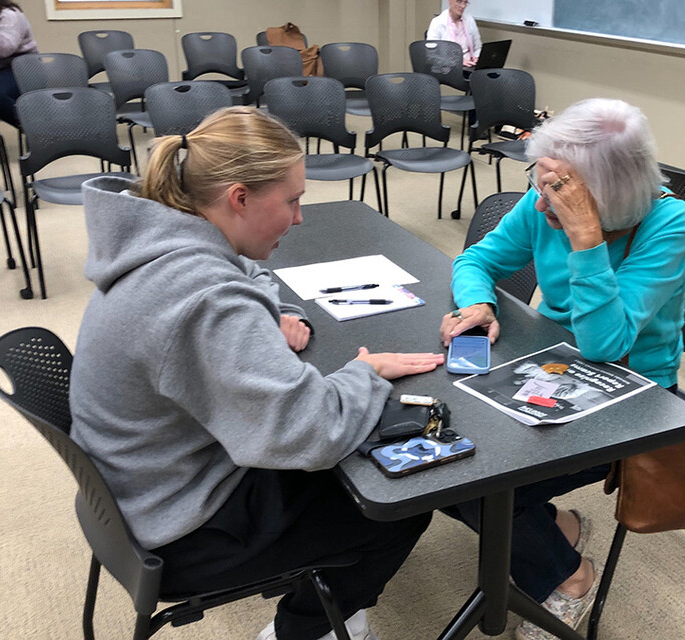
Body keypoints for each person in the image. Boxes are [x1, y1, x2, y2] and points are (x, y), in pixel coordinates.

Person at [70, 106, 445, 640]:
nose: (298, 218)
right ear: (239, 198)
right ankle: (303, 629)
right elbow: (310, 432)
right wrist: (364, 372)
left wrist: (272, 313)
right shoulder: (206, 298)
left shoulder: (164, 240)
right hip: (178, 529)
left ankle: (322, 601)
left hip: (136, 488)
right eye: (291, 201)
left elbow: (248, 272)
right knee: (395, 506)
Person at [439, 98, 685, 640]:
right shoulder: (543, 200)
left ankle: (571, 576)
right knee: (446, 461)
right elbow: (477, 260)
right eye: (541, 179)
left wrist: (585, 238)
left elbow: (607, 344)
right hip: (550, 362)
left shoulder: (668, 223)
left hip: (637, 391)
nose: (540, 201)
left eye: (558, 190)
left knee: (476, 487)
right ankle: (560, 529)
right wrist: (477, 302)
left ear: (608, 195)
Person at [427, 0, 481, 68]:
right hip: (447, 67)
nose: (463, 6)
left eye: (465, 2)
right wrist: (458, 61)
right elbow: (432, 55)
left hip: (469, 66)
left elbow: (478, 47)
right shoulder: (437, 22)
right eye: (459, 1)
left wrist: (477, 57)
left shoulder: (469, 20)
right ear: (449, 1)